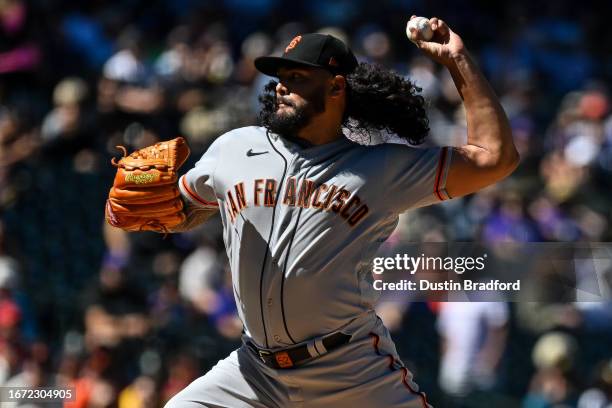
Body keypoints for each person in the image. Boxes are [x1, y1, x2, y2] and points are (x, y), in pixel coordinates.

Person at [161, 16, 519, 408]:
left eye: (298, 77)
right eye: (281, 75)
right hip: (254, 372)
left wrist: (457, 60)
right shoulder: (235, 147)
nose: (281, 85)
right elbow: (185, 210)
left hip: (349, 371)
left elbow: (495, 159)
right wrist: (156, 210)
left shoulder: (381, 168)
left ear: (335, 87)